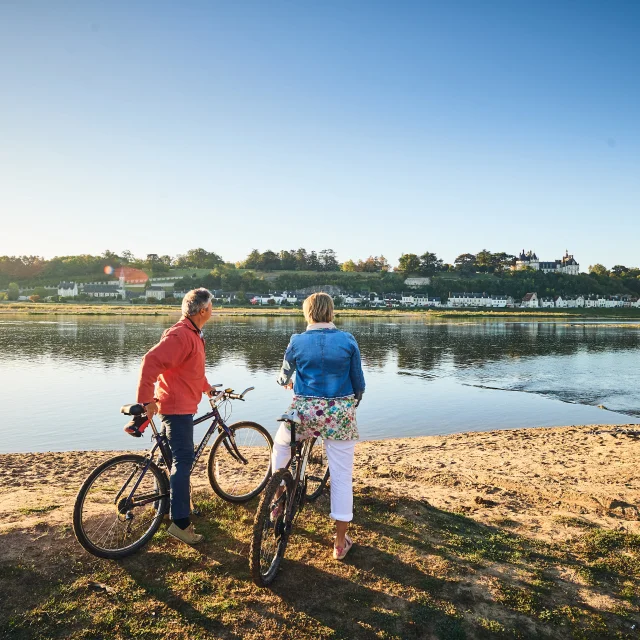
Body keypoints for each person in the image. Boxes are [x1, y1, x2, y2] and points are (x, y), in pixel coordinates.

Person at [274, 292, 365, 560]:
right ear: (331, 312)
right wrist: (354, 401)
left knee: (281, 447)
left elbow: (283, 375)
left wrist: (286, 383)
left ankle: (276, 497)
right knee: (341, 477)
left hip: (305, 411)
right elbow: (358, 381)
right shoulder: (347, 340)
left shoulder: (297, 341)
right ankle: (339, 543)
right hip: (339, 413)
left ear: (308, 313)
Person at [136, 287, 215, 545]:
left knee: (172, 459)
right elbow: (150, 362)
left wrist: (208, 388)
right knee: (183, 461)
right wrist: (146, 401)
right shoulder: (182, 335)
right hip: (176, 408)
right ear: (203, 310)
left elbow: (190, 370)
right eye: (211, 306)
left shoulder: (192, 334)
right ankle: (180, 523)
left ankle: (165, 504)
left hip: (181, 404)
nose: (213, 310)